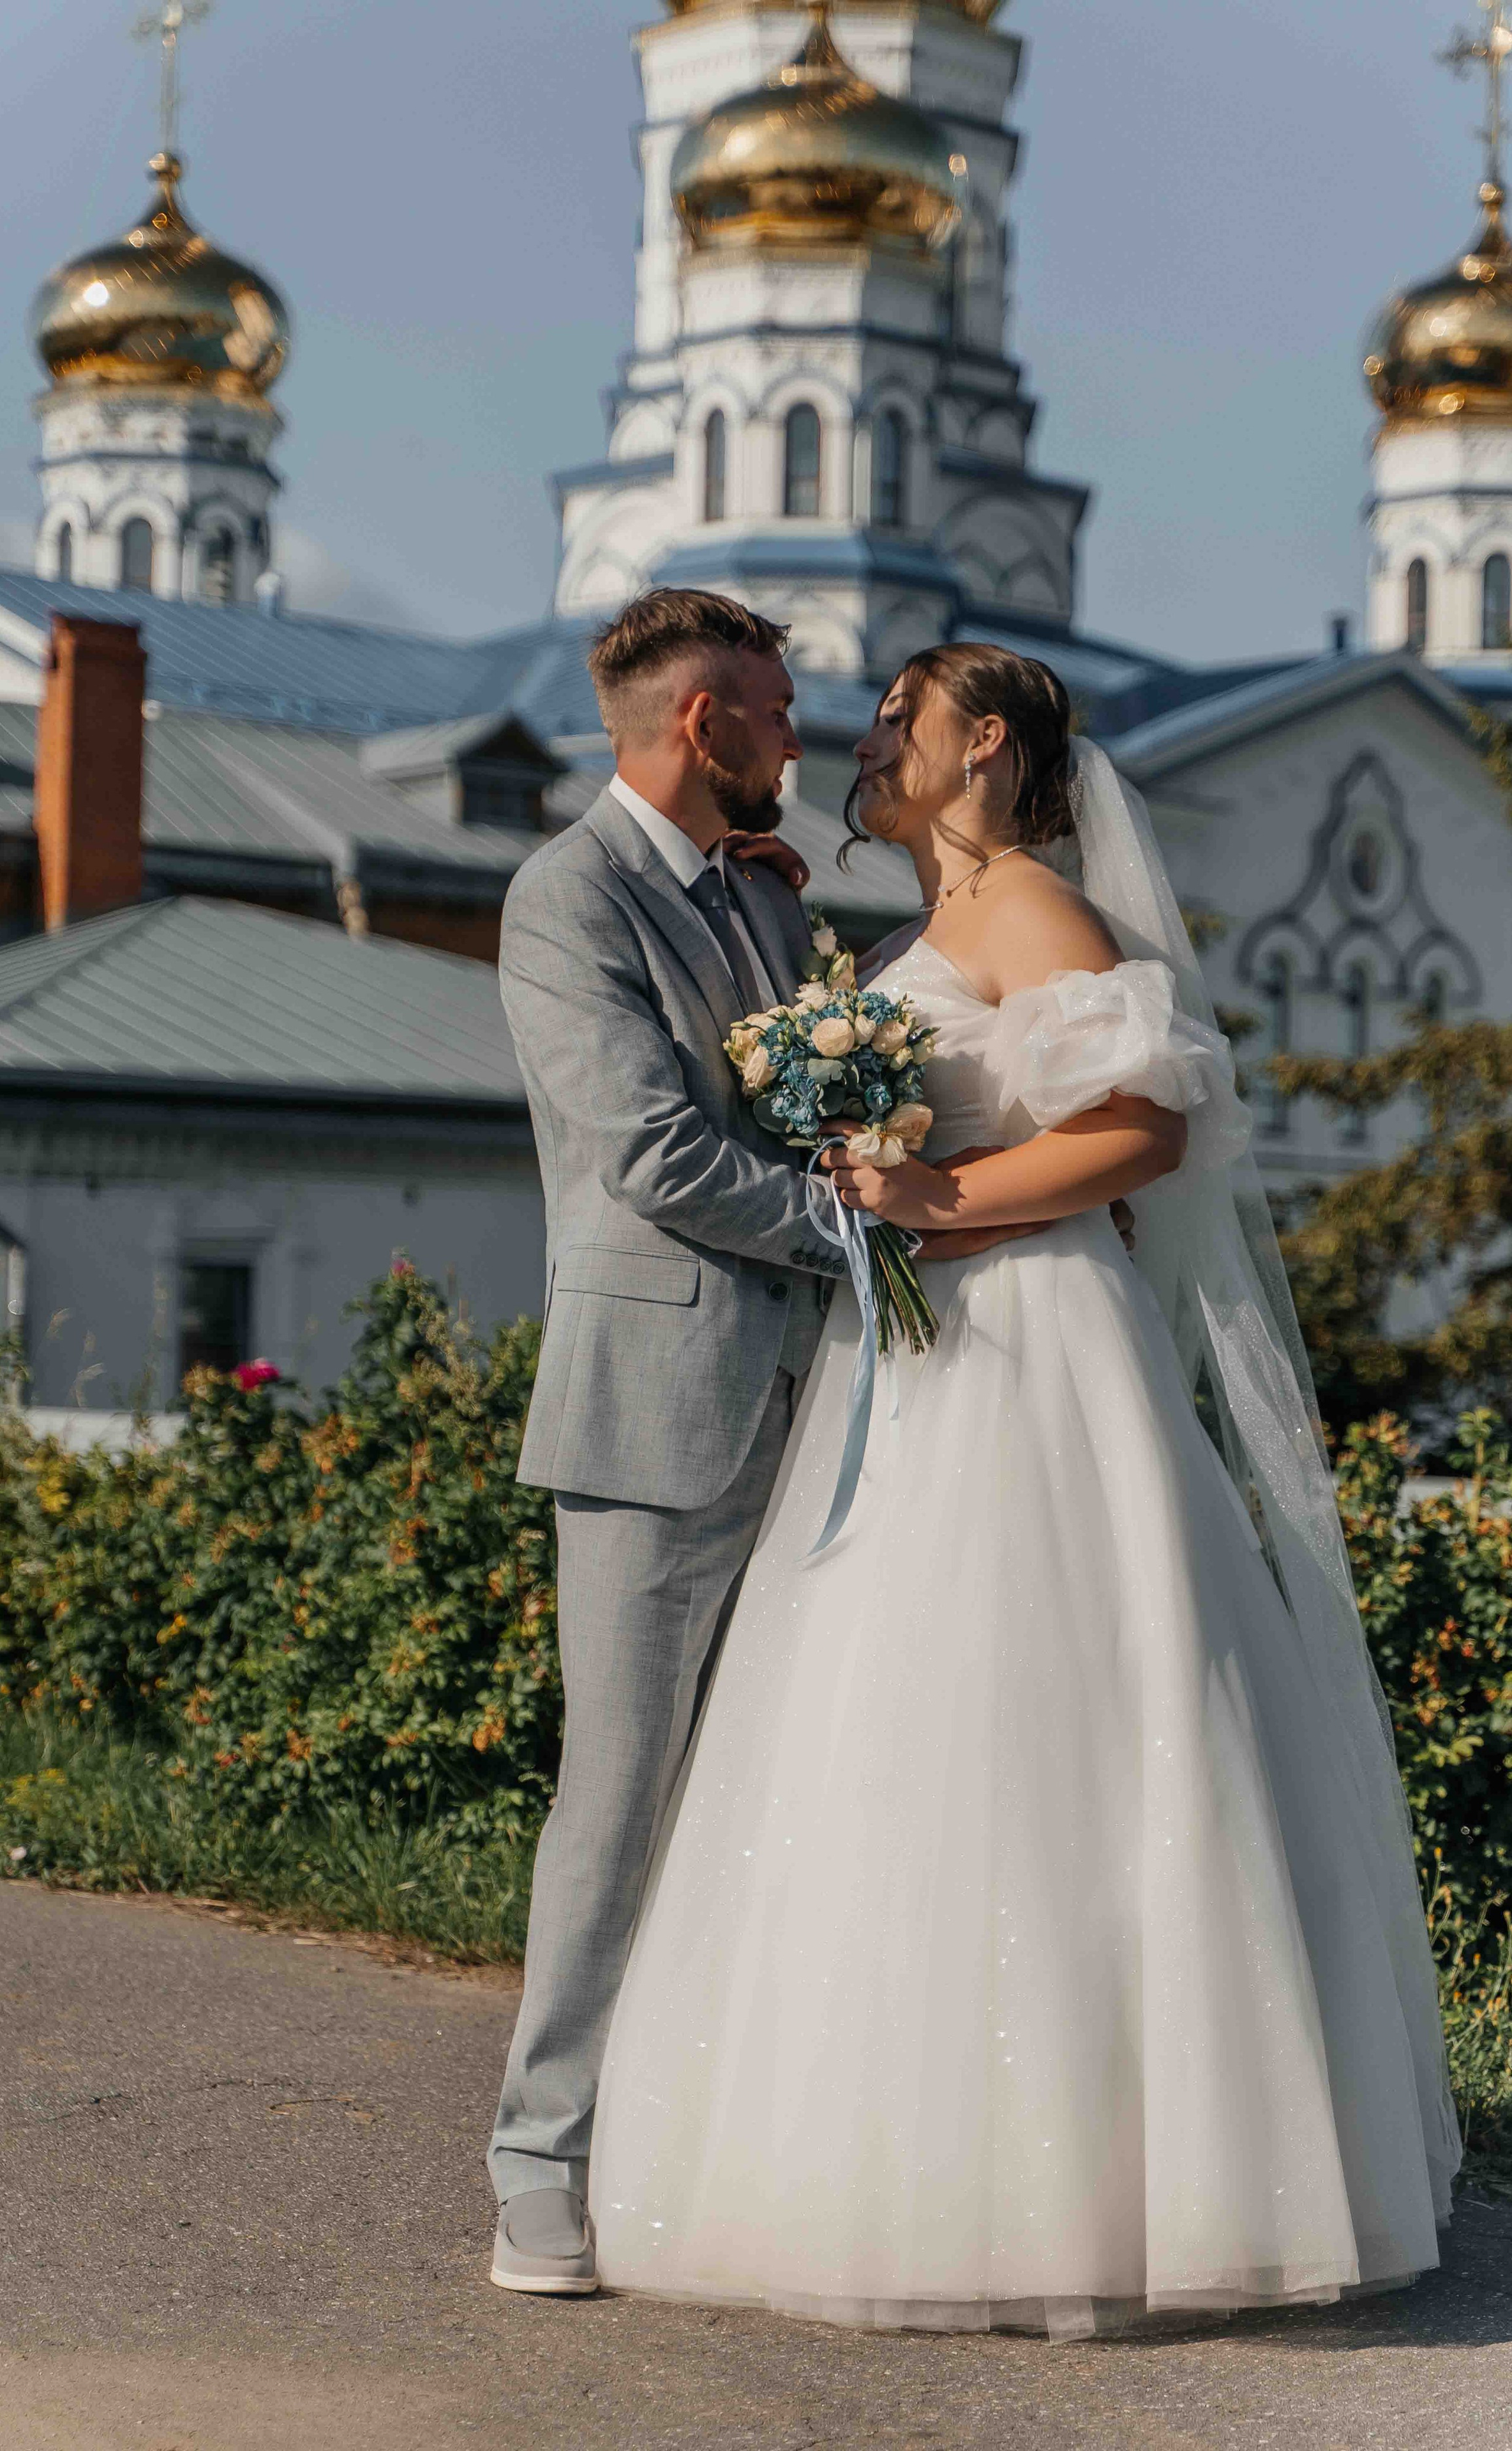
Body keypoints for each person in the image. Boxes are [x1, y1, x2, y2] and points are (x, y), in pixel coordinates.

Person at [585, 640, 1462, 2338]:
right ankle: (904, 2166)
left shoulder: (1038, 909)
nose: (868, 741)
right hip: (930, 1349)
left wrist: (940, 1199)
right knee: (898, 1730)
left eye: (898, 718)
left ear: (984, 742)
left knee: (1050, 1716)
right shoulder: (938, 921)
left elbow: (1143, 1131)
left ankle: (1120, 2185)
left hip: (1037, 1343)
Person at [486, 593, 1047, 2294]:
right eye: (781, 713)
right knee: (622, 1795)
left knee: (774, 1789)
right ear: (701, 720)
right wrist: (874, 1234)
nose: (804, 741)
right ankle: (540, 2164)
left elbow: (820, 1097)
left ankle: (702, 2147)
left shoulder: (764, 892)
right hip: (657, 1410)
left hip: (827, 1403)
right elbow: (654, 1156)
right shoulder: (566, 896)